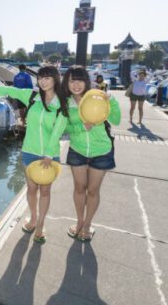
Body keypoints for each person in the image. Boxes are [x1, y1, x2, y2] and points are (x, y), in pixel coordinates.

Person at [0, 66, 61, 244]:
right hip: (29, 151)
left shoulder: (61, 103)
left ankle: (41, 225)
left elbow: (58, 131)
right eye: (41, 78)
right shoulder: (31, 96)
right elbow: (7, 89)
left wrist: (49, 154)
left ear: (55, 79)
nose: (43, 81)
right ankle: (32, 218)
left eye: (47, 78)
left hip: (49, 155)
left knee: (45, 191)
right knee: (31, 189)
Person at [52, 65, 121, 242]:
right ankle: (80, 222)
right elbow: (64, 129)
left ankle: (88, 225)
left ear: (86, 81)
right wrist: (81, 127)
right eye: (72, 80)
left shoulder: (97, 98)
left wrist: (110, 100)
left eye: (80, 80)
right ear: (66, 83)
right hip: (77, 150)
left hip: (102, 151)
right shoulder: (66, 103)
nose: (76, 85)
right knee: (79, 188)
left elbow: (116, 120)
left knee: (93, 190)